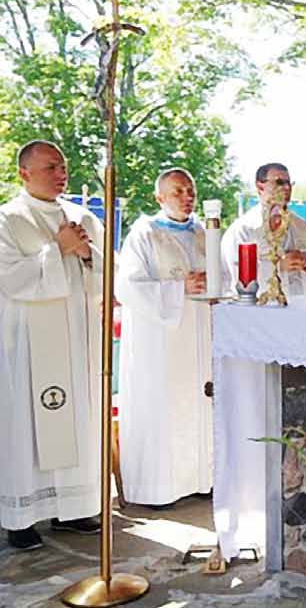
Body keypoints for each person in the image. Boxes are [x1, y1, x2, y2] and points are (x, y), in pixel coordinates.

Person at [0, 140, 103, 549]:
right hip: (26, 342)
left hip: (73, 334)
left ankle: (73, 508)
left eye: (62, 166)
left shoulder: (80, 216)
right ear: (24, 172)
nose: (60, 173)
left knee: (73, 418)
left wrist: (87, 255)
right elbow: (10, 279)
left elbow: (103, 273)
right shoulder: (8, 218)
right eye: (50, 168)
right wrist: (58, 249)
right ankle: (21, 516)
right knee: (25, 421)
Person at [116, 168, 218, 508]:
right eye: (177, 191)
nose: (187, 196)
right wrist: (179, 288)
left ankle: (202, 478)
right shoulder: (143, 234)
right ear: (159, 198)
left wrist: (215, 284)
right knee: (165, 407)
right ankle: (158, 489)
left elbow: (224, 274)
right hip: (159, 341)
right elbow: (127, 287)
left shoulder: (204, 231)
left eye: (190, 190)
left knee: (197, 405)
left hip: (198, 335)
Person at [221, 163, 306, 301]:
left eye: (289, 183)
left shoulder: (302, 227)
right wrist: (278, 267)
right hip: (260, 309)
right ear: (260, 187)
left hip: (300, 303)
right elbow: (235, 275)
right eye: (279, 182)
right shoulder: (243, 229)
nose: (287, 188)